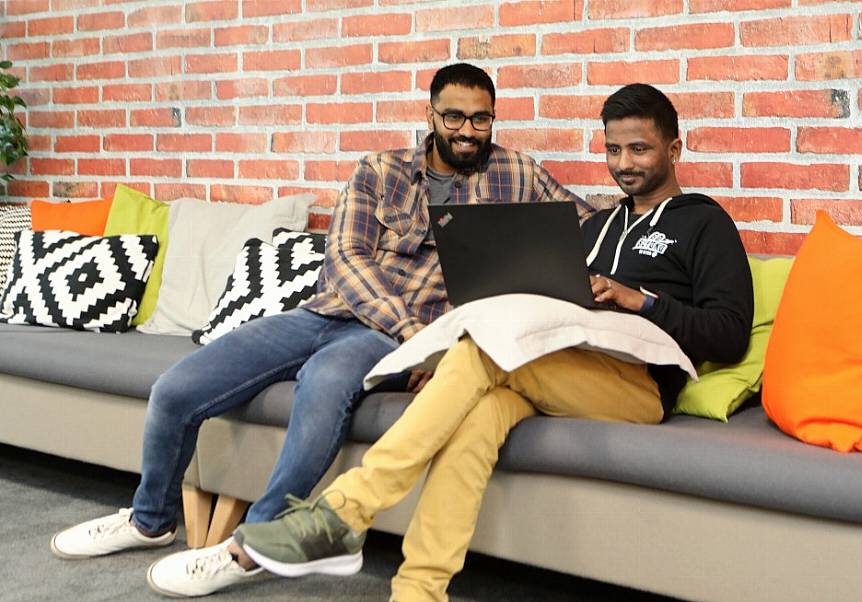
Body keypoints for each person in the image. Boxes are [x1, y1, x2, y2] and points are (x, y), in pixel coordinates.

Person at [48, 62, 594, 598]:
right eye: (454, 117)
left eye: (481, 119)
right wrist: (407, 328)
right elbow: (345, 256)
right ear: (430, 114)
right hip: (330, 313)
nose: (468, 131)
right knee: (175, 388)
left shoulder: (517, 174)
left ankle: (254, 546)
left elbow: (590, 223)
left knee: (321, 392)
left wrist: (651, 232)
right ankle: (150, 520)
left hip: (381, 342)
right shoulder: (380, 170)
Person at [233, 83, 754, 602]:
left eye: (639, 149)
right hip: (558, 364)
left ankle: (343, 513)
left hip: (636, 388)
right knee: (476, 423)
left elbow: (729, 333)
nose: (624, 164)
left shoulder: (705, 224)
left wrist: (641, 300)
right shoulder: (595, 226)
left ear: (674, 150)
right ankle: (418, 593)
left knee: (480, 353)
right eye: (613, 149)